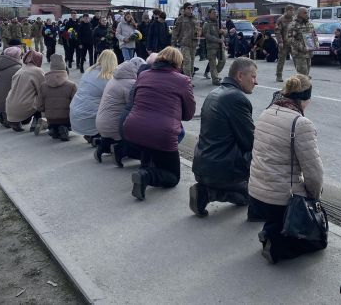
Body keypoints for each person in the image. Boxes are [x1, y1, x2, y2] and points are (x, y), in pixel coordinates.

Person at [248, 74, 323, 264]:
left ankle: (270, 232)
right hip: (281, 200)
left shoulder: (266, 112)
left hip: (255, 194)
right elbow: (314, 173)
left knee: (277, 194)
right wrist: (314, 197)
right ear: (305, 99)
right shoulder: (300, 123)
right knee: (318, 241)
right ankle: (276, 247)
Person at [124, 47, 195, 201]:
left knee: (147, 141)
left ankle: (144, 168)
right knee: (172, 177)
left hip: (133, 129)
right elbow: (189, 115)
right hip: (161, 134)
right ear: (178, 64)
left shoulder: (143, 75)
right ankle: (146, 176)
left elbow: (136, 101)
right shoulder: (182, 80)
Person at [190, 57, 258, 217]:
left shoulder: (215, 93)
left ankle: (206, 189)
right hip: (221, 169)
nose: (256, 82)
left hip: (203, 164)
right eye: (253, 77)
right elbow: (251, 142)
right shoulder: (236, 99)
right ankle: (209, 193)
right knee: (252, 196)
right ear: (240, 76)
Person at [94, 56, 146, 162]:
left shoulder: (114, 79)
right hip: (114, 126)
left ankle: (103, 146)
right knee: (136, 134)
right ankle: (120, 150)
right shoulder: (131, 83)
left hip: (100, 123)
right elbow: (134, 106)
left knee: (114, 127)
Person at [69, 49, 118, 142]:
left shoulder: (89, 71)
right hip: (89, 117)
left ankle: (91, 134)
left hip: (75, 112)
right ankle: (98, 134)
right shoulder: (106, 78)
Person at [39, 54, 77, 141]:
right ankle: (65, 128)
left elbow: (39, 106)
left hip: (50, 118)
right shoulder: (71, 85)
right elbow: (76, 105)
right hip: (66, 118)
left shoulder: (43, 86)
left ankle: (54, 129)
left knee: (53, 122)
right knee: (65, 120)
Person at [5, 50, 45, 132]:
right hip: (26, 106)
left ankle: (16, 123)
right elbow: (43, 90)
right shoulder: (37, 71)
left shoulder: (20, 70)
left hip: (10, 106)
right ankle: (36, 122)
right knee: (42, 98)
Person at [172, 2, 199, 78]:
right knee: (187, 62)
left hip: (193, 43)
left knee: (192, 63)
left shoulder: (195, 18)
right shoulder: (180, 19)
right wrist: (173, 44)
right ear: (184, 9)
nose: (190, 10)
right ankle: (188, 80)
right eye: (188, 8)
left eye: (191, 8)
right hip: (184, 44)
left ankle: (189, 78)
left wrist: (199, 33)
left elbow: (198, 30)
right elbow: (175, 32)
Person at [288, 7, 316, 77]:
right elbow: (290, 39)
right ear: (299, 14)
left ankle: (305, 86)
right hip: (299, 54)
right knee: (302, 75)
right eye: (305, 13)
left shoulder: (309, 24)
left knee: (306, 73)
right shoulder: (293, 24)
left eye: (307, 13)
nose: (307, 14)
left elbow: (314, 35)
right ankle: (303, 87)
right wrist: (301, 47)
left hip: (308, 53)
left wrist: (316, 43)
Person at [202, 8, 227, 86]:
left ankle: (215, 74)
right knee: (212, 64)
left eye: (216, 13)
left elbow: (226, 32)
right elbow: (207, 36)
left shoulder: (219, 23)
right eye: (213, 13)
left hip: (220, 46)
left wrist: (223, 32)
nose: (215, 14)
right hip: (211, 47)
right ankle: (215, 79)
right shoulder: (206, 24)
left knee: (223, 61)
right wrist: (218, 40)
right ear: (209, 14)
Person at [274, 5, 295, 82]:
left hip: (293, 43)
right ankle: (279, 75)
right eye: (290, 10)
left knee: (296, 59)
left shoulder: (294, 19)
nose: (292, 12)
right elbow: (277, 31)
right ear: (286, 11)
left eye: (293, 11)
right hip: (284, 43)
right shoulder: (281, 19)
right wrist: (280, 42)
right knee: (281, 60)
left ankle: (301, 75)